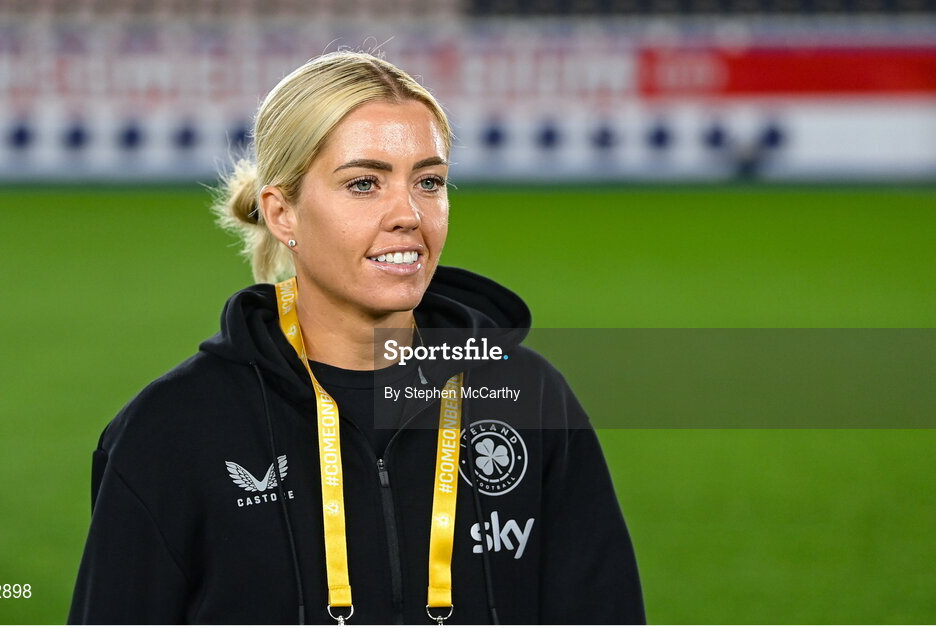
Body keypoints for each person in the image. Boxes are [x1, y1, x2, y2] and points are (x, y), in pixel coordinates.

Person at [67, 50, 644, 625]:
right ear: (282, 212)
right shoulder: (171, 429)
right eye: (364, 183)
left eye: (430, 181)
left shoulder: (530, 397)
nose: (409, 214)